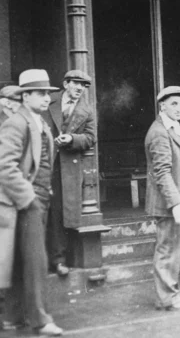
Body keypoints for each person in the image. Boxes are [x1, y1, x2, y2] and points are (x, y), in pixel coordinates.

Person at [0, 69, 64, 336]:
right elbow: (5, 166)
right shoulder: (17, 123)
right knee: (36, 261)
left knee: (21, 260)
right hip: (25, 202)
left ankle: (13, 317)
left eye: (48, 94)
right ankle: (40, 319)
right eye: (40, 93)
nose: (46, 98)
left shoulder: (39, 122)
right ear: (25, 96)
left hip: (38, 199)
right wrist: (28, 200)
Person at [144, 85, 180, 311]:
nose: (179, 108)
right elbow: (162, 171)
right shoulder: (160, 132)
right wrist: (176, 203)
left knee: (173, 249)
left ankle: (172, 294)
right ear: (162, 105)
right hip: (168, 203)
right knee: (167, 250)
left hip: (176, 200)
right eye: (174, 103)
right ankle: (167, 298)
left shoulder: (172, 129)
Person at [43, 70, 96, 277]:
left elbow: (91, 138)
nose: (80, 89)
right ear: (66, 83)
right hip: (43, 162)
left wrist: (72, 139)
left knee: (60, 213)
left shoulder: (86, 110)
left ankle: (59, 259)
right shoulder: (48, 100)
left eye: (83, 86)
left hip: (67, 167)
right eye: (76, 84)